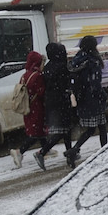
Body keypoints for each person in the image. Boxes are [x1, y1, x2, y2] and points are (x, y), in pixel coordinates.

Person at [63, 35, 108, 168]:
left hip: (83, 99)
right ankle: (105, 151)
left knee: (92, 128)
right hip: (94, 99)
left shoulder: (78, 58)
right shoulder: (92, 61)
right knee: (101, 127)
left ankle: (75, 149)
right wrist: (102, 95)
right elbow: (95, 83)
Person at [33, 43, 74, 171]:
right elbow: (66, 83)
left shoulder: (48, 66)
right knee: (64, 131)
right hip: (62, 101)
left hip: (51, 102)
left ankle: (70, 156)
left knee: (65, 130)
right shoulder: (62, 67)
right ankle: (42, 152)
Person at [10, 51, 47, 168]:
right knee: (35, 133)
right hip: (37, 108)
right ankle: (19, 152)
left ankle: (46, 149)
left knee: (38, 130)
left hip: (28, 107)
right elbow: (41, 92)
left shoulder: (25, 75)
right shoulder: (37, 76)